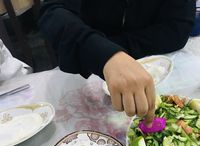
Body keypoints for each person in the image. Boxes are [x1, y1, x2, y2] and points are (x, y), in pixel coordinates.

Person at [39, 0, 196, 125]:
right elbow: (53, 13)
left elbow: (177, 29)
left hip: (161, 65)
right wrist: (103, 53)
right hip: (87, 67)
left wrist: (114, 49)